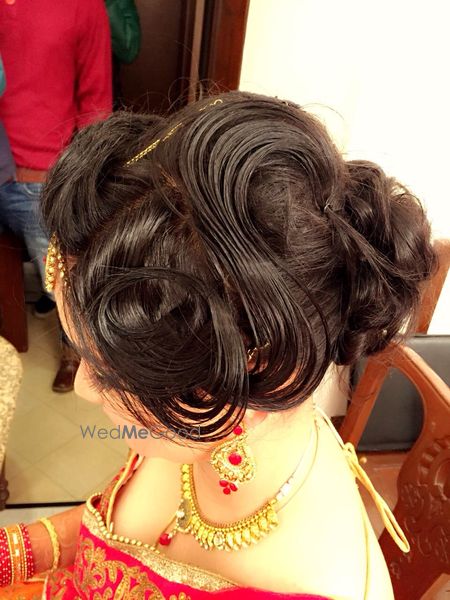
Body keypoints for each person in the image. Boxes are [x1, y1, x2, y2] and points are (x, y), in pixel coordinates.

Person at [0, 92, 436, 598]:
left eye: (109, 371)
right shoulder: (198, 421)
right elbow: (114, 529)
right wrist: (15, 554)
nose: (83, 388)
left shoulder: (313, 582)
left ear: (251, 365)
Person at [0, 0, 112, 392]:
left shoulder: (82, 6)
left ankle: (74, 352)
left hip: (42, 176)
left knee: (63, 282)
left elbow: (96, 100)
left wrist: (84, 179)